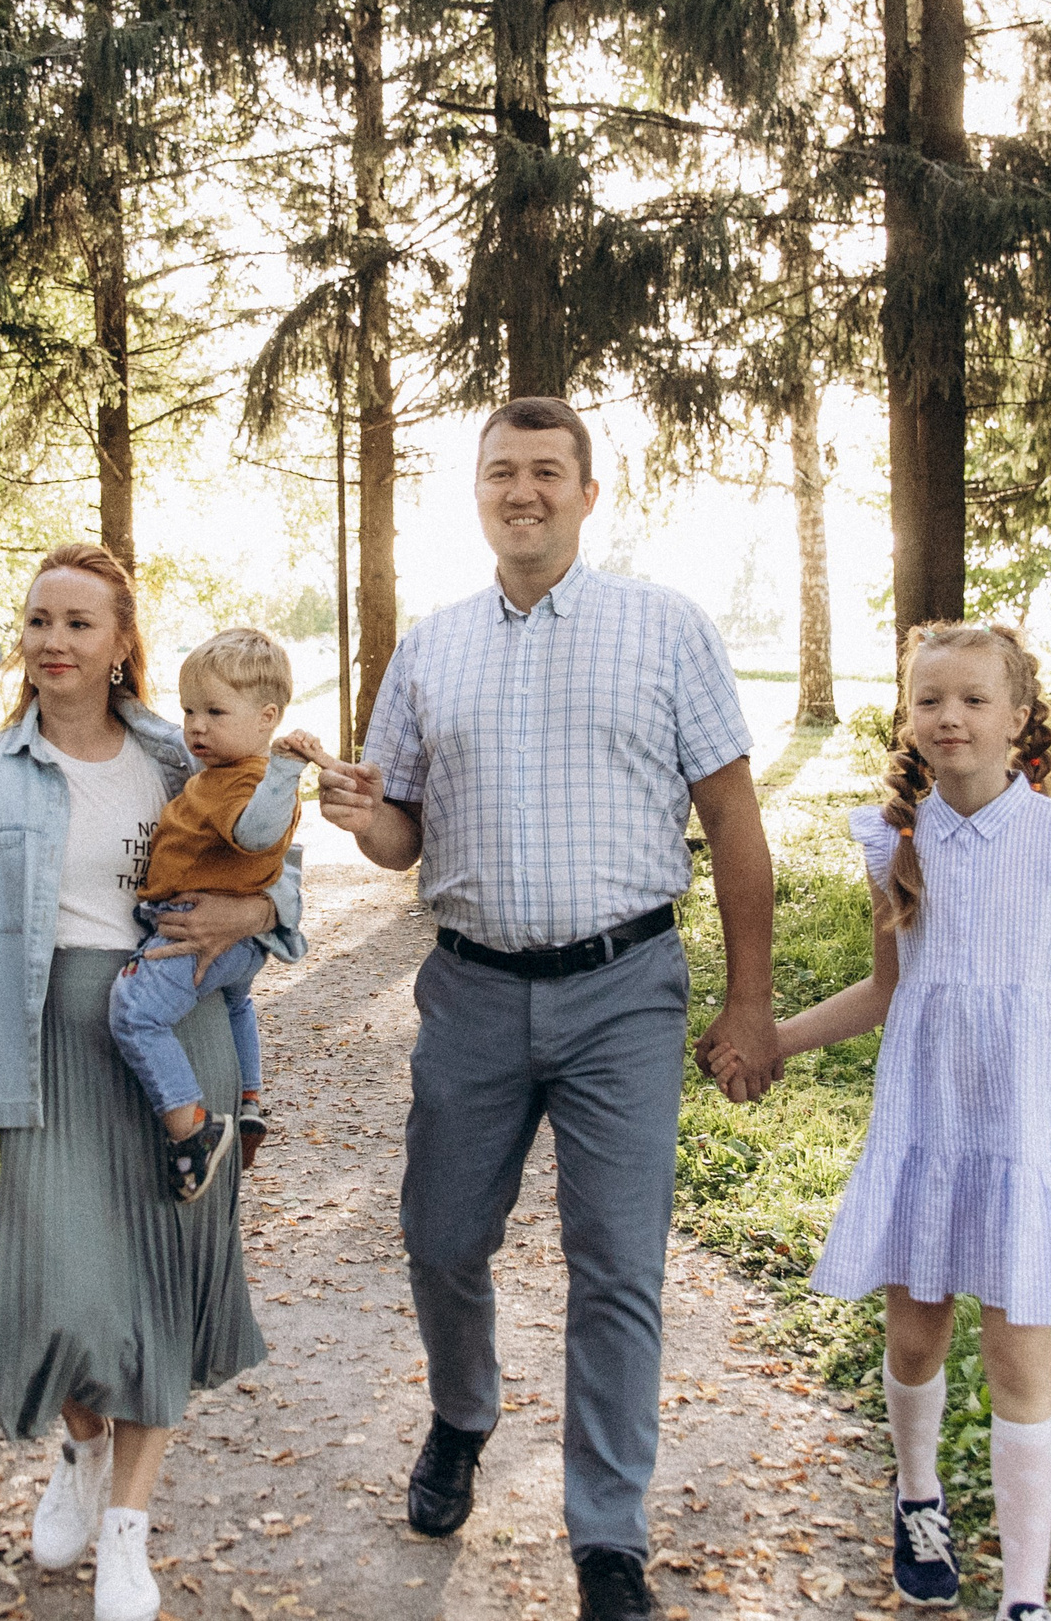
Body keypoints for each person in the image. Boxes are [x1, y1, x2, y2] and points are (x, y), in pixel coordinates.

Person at [313, 397, 780, 1621]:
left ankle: (607, 1535)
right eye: (498, 474)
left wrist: (750, 1001)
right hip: (470, 990)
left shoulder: (664, 628)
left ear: (584, 490)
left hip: (625, 990)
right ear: (475, 493)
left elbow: (734, 821)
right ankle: (464, 1414)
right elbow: (402, 835)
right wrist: (371, 823)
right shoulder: (431, 647)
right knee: (441, 1240)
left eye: (543, 473)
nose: (520, 492)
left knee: (615, 1267)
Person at [0, 544, 302, 1621]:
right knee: (69, 1297)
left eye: (79, 624)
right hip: (48, 1053)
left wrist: (254, 913)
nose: (53, 642)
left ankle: (129, 1527)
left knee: (159, 1286)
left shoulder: (184, 755)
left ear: (124, 643)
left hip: (176, 1033)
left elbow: (280, 863)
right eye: (38, 621)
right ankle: (76, 1455)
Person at [743, 623, 1051, 1621]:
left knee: (1019, 1357)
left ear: (1017, 719)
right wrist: (773, 1040)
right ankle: (917, 1496)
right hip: (927, 1129)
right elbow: (885, 988)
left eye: (970, 700)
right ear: (907, 719)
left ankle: (1019, 1595)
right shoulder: (893, 844)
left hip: (1026, 1138)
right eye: (929, 701)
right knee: (915, 1337)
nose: (948, 718)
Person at [104, 626, 309, 1201]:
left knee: (135, 1009)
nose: (196, 725)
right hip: (236, 948)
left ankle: (191, 1126)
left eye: (215, 712)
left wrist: (287, 773)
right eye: (190, 709)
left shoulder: (250, 781)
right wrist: (120, 700)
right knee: (237, 1002)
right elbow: (163, 732)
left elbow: (257, 833)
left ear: (267, 717)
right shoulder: (219, 767)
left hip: (203, 931)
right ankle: (248, 1102)